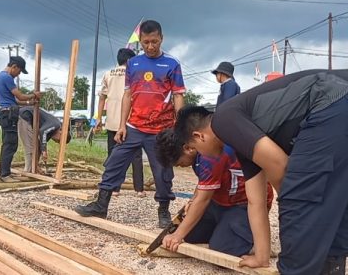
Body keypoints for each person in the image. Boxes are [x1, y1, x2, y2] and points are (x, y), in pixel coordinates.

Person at [174, 69, 348, 274]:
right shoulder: (243, 140)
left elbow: (281, 167)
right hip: (336, 105)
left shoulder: (224, 120)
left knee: (301, 203)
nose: (203, 155)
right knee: (334, 201)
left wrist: (295, 208)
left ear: (198, 136)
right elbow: (255, 201)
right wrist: (261, 256)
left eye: (197, 150)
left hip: (331, 100)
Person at [75, 20, 186, 228]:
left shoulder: (172, 64)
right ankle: (101, 205)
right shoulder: (133, 64)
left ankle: (163, 211)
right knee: (113, 163)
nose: (150, 46)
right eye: (146, 42)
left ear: (162, 38)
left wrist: (179, 126)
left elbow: (178, 96)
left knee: (162, 172)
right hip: (134, 127)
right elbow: (127, 95)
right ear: (140, 42)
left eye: (154, 41)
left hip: (161, 130)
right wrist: (122, 125)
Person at [156, 128, 273, 256]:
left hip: (244, 204)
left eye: (177, 162)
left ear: (188, 148)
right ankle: (224, 230)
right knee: (190, 234)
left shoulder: (209, 154)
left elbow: (203, 199)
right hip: (220, 201)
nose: (178, 165)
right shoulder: (199, 151)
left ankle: (251, 240)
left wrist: (177, 236)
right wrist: (192, 200)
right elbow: (203, 183)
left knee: (222, 251)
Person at [95, 48, 145, 197]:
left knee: (113, 155)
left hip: (111, 120)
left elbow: (102, 97)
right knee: (136, 156)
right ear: (130, 60)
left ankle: (114, 189)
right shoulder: (134, 73)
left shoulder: (108, 74)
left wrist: (98, 118)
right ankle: (139, 189)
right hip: (131, 121)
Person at [0, 56, 41, 182]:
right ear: (14, 66)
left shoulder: (1, 77)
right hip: (9, 113)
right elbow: (20, 96)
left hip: (8, 112)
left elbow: (15, 100)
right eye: (19, 71)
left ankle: (5, 172)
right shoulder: (6, 77)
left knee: (9, 143)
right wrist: (34, 94)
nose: (18, 74)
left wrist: (29, 103)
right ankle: (4, 175)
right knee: (10, 144)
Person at [18, 106, 71, 173]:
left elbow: (40, 146)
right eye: (58, 140)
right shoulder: (56, 125)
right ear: (61, 133)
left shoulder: (51, 131)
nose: (55, 141)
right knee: (30, 148)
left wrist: (41, 156)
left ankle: (34, 168)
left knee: (36, 147)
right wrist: (44, 151)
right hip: (25, 117)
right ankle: (28, 171)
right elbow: (42, 131)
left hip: (29, 119)